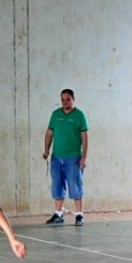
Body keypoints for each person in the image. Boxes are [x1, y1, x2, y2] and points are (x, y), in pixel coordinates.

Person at [42, 89, 89, 226]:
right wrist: (46, 151)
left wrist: (84, 158)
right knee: (57, 185)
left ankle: (79, 215)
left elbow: (85, 137)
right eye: (62, 100)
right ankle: (58, 214)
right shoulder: (55, 115)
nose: (65, 102)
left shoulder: (79, 115)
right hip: (57, 158)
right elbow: (49, 134)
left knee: (75, 185)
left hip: (73, 157)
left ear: (73, 99)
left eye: (68, 99)